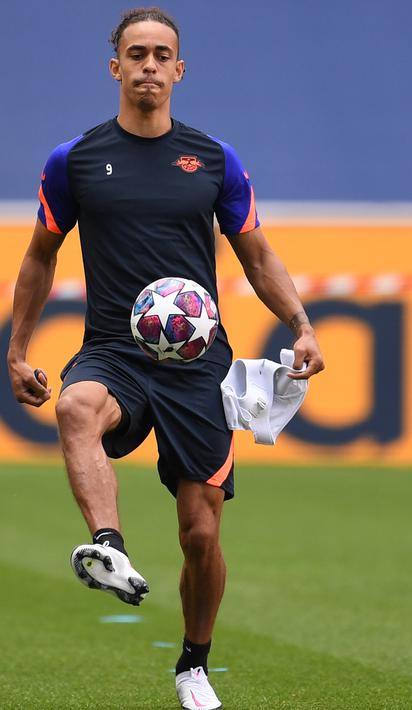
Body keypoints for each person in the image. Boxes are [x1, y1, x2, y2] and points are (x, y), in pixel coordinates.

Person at [5, 8, 325, 709]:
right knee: (75, 405)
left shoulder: (214, 160)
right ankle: (108, 546)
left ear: (179, 70)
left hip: (198, 365)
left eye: (160, 55)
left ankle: (194, 665)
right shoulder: (74, 161)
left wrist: (301, 324)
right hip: (114, 351)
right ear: (114, 67)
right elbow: (38, 257)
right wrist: (18, 348)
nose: (148, 66)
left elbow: (258, 255)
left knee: (200, 532)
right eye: (136, 54)